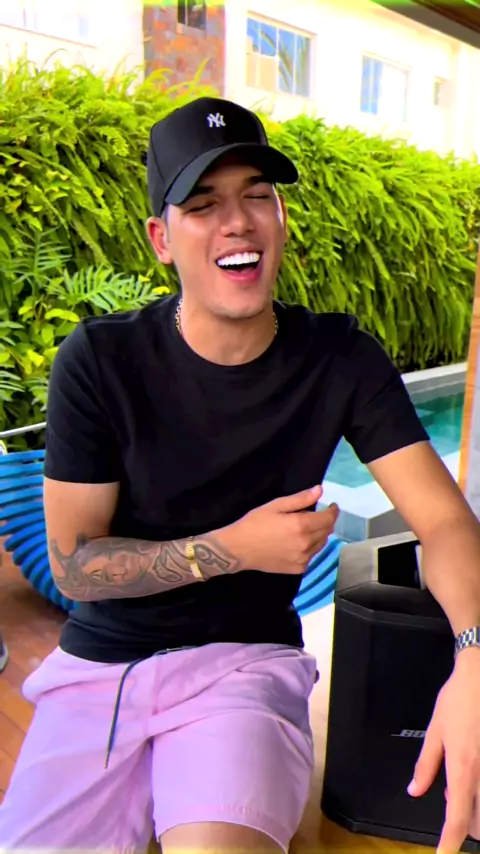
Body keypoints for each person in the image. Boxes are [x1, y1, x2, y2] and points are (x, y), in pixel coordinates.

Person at [0, 96, 479, 854]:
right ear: (162, 239)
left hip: (243, 668)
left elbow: (446, 522)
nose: (237, 222)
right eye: (203, 205)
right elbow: (75, 566)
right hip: (102, 671)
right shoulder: (100, 361)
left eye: (258, 195)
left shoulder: (339, 360)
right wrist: (233, 548)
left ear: (281, 219)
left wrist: (475, 654)